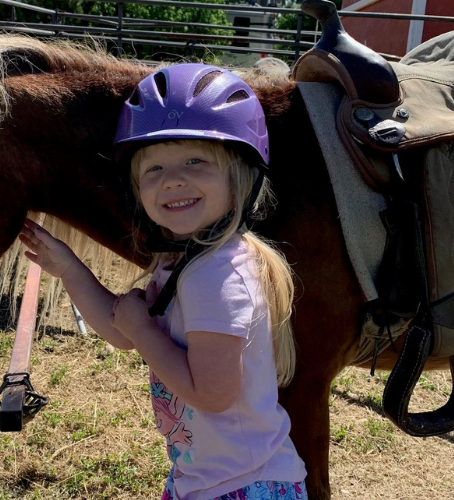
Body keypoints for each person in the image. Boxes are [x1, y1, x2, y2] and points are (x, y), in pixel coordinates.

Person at [19, 63, 307, 500]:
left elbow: (211, 394)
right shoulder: (186, 261)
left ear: (240, 175)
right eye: (153, 169)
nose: (173, 179)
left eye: (196, 160)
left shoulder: (217, 275)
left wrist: (142, 329)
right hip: (208, 477)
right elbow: (121, 331)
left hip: (243, 486)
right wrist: (69, 268)